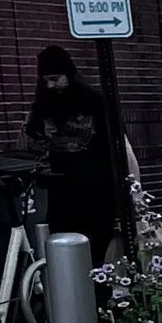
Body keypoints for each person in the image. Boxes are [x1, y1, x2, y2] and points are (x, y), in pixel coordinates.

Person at [24, 45, 119, 256]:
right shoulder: (43, 106)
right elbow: (32, 140)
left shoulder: (94, 102)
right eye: (46, 80)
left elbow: (114, 143)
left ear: (68, 75)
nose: (50, 85)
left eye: (55, 78)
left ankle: (98, 288)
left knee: (95, 245)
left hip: (96, 186)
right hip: (61, 189)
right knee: (64, 246)